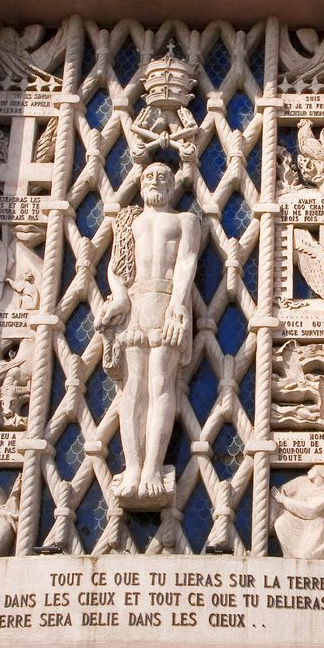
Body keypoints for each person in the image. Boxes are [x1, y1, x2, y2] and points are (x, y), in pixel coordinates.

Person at [96, 154, 202, 508]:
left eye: (163, 176)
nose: (156, 180)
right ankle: (133, 468)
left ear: (173, 187)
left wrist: (178, 305)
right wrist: (119, 297)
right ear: (140, 185)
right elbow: (117, 267)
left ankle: (154, 468)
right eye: (150, 176)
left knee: (160, 385)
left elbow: (187, 262)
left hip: (166, 302)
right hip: (136, 304)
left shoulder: (185, 221)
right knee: (132, 389)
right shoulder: (129, 220)